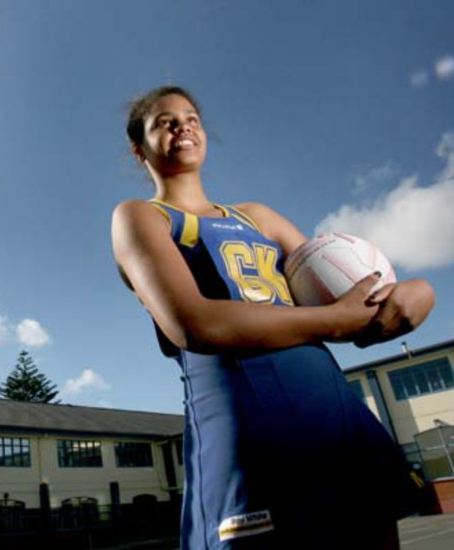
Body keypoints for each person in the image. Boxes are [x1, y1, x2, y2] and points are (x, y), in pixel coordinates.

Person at [111, 86, 435, 549]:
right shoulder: (141, 216)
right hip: (245, 427)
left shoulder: (258, 217)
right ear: (138, 147)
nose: (183, 125)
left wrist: (416, 292)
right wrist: (337, 320)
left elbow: (347, 305)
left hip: (331, 410)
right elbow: (196, 325)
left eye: (192, 118)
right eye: (165, 121)